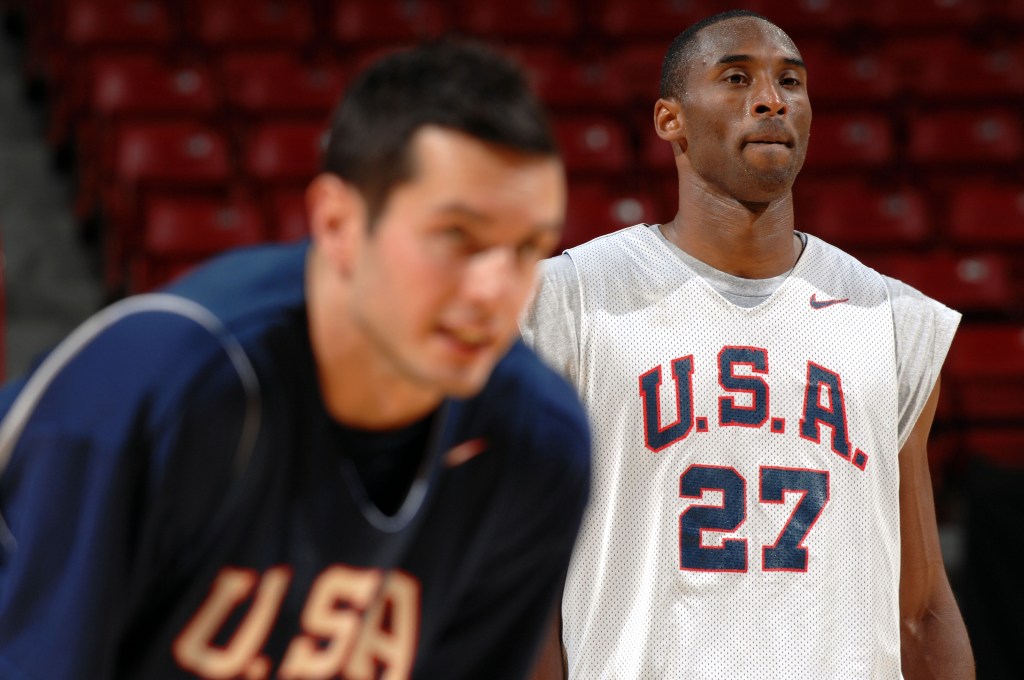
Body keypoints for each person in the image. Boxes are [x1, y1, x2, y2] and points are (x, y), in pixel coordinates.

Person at [0, 40, 591, 679]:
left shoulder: (538, 443)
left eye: (528, 247)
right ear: (336, 223)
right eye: (457, 237)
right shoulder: (159, 379)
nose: (494, 291)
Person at [521, 9, 973, 679]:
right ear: (669, 119)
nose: (771, 98)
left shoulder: (893, 319)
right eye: (737, 77)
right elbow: (518, 584)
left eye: (791, 81)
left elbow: (922, 602)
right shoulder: (568, 300)